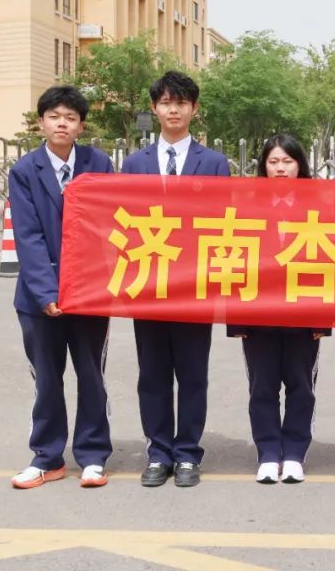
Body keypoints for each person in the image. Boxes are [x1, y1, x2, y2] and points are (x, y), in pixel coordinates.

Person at [121, 71, 230, 489]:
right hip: (148, 285)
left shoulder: (214, 163)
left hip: (194, 287)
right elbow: (123, 223)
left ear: (194, 109)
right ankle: (158, 452)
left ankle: (187, 454)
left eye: (181, 103)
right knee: (152, 375)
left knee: (192, 374)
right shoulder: (135, 164)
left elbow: (225, 222)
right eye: (166, 102)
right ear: (154, 108)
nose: (173, 110)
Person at [8, 85, 113, 490]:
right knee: (47, 379)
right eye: (54, 117)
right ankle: (47, 457)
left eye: (70, 118)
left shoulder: (98, 164)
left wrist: (93, 286)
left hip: (89, 295)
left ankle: (93, 455)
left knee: (91, 375)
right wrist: (47, 293)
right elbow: (28, 236)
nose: (62, 124)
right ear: (41, 123)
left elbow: (109, 224)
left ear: (81, 126)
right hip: (39, 299)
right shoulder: (24, 170)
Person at [228, 134, 329, 484]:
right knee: (262, 387)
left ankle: (296, 453)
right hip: (258, 315)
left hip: (304, 315)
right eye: (273, 162)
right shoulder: (247, 207)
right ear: (263, 166)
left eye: (288, 161)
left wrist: (322, 320)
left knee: (301, 387)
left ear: (300, 165)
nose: (281, 168)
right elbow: (235, 259)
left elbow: (328, 263)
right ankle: (269, 453)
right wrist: (237, 320)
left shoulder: (319, 207)